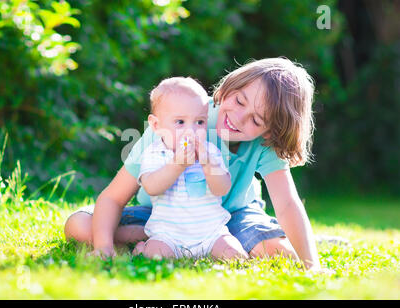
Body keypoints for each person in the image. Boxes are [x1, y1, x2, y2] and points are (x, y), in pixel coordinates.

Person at [64, 57, 321, 270]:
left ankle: (206, 243)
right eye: (240, 101)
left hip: (234, 216)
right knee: (80, 225)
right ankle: (169, 241)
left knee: (279, 252)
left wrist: (312, 266)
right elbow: (113, 197)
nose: (239, 118)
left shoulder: (265, 144)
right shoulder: (179, 117)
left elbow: (287, 203)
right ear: (228, 89)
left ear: (269, 132)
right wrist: (104, 247)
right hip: (163, 216)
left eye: (256, 120)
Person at [132, 77, 248, 260]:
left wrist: (208, 164)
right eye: (180, 122)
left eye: (199, 122)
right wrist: (177, 165)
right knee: (155, 256)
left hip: (212, 233)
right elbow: (151, 187)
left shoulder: (211, 152)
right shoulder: (155, 154)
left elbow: (222, 188)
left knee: (236, 256)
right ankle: (141, 248)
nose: (191, 131)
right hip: (168, 235)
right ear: (156, 125)